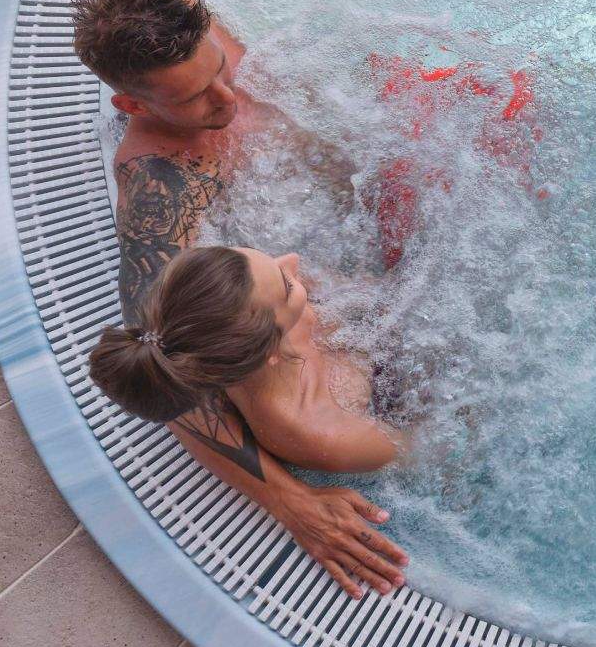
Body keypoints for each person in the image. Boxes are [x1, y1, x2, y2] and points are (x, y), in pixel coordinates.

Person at [70, 0, 406, 600]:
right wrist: (286, 499)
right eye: (193, 100)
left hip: (367, 156)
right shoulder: (162, 190)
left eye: (220, 66)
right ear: (129, 101)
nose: (228, 97)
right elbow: (165, 362)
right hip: (332, 253)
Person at [89, 245, 410, 594]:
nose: (291, 259)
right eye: (286, 285)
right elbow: (429, 449)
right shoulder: (326, 433)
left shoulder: (229, 312)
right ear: (272, 351)